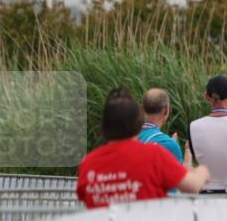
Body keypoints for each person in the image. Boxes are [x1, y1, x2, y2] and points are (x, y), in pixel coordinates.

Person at [76, 87, 209, 208]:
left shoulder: (87, 163)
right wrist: (203, 170)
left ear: (104, 126)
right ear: (137, 121)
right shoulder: (154, 154)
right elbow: (191, 186)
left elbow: (83, 197)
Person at [139, 88, 184, 162]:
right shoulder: (169, 144)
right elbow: (179, 173)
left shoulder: (126, 136)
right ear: (166, 110)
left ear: (142, 109)